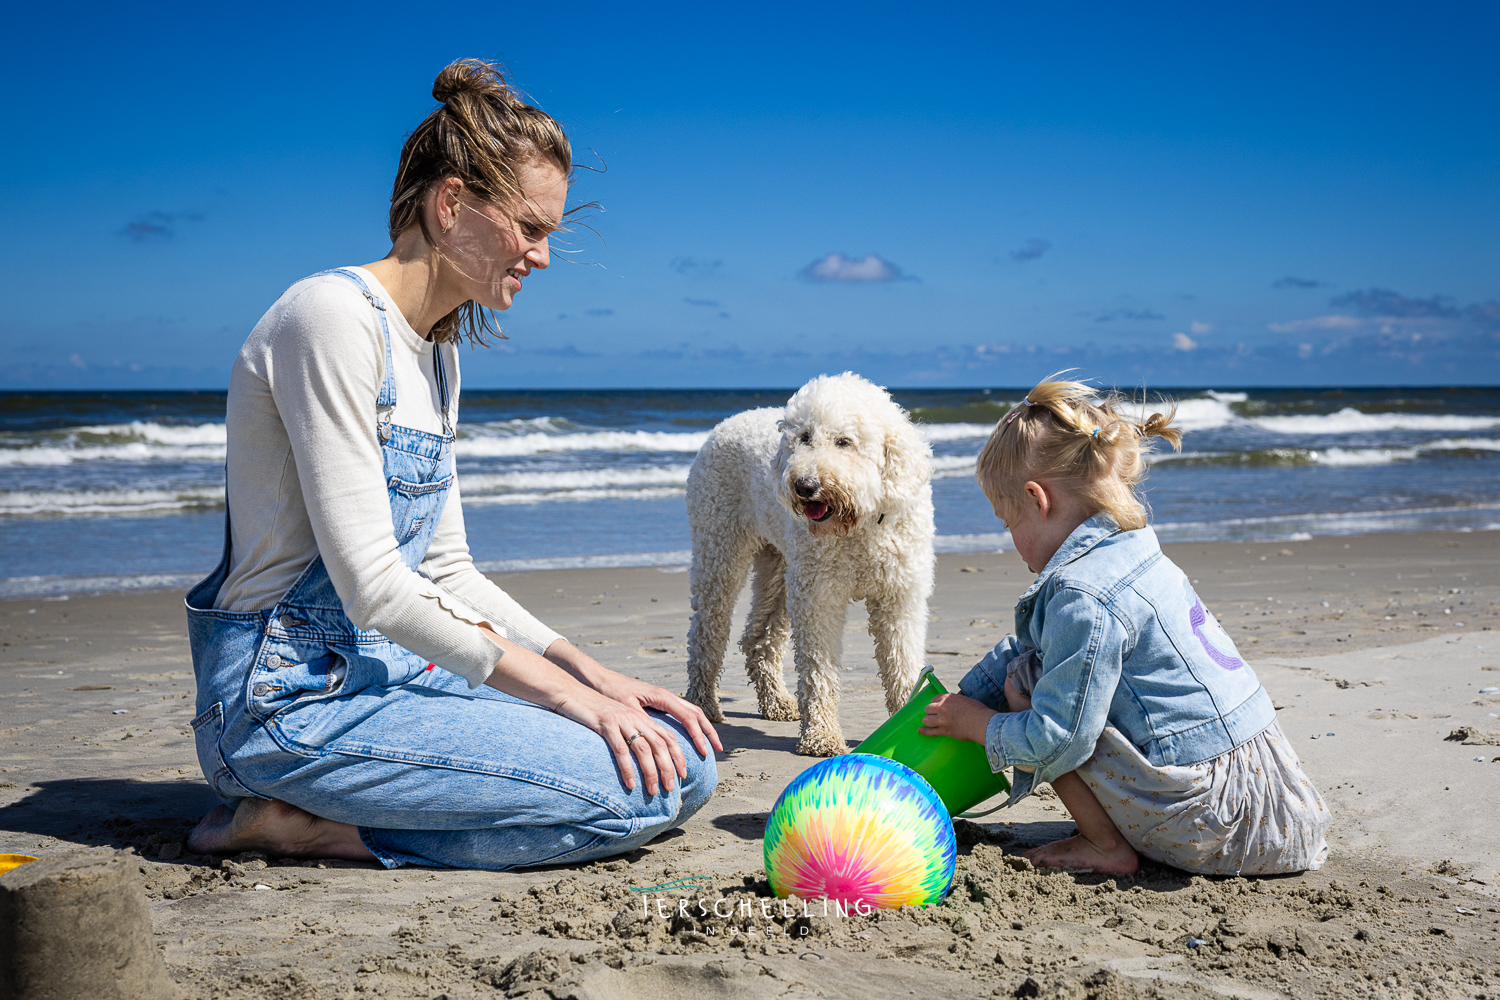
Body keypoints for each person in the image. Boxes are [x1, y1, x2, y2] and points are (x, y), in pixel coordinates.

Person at [184, 59, 720, 870]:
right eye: (531, 228)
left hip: (392, 675)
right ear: (451, 203)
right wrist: (567, 700)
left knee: (683, 758)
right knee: (632, 793)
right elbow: (376, 586)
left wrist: (591, 673)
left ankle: (319, 817)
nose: (542, 257)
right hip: (285, 706)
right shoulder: (328, 319)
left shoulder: (437, 353)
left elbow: (447, 570)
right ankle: (308, 824)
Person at [918, 375, 1329, 876]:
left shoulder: (1083, 595)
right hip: (1275, 798)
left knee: (1030, 690)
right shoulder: (1132, 548)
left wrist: (975, 724)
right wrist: (961, 698)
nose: (1012, 541)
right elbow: (1036, 648)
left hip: (1216, 822)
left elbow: (1057, 738)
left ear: (1037, 499)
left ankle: (1104, 846)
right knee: (1040, 671)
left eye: (1009, 523)